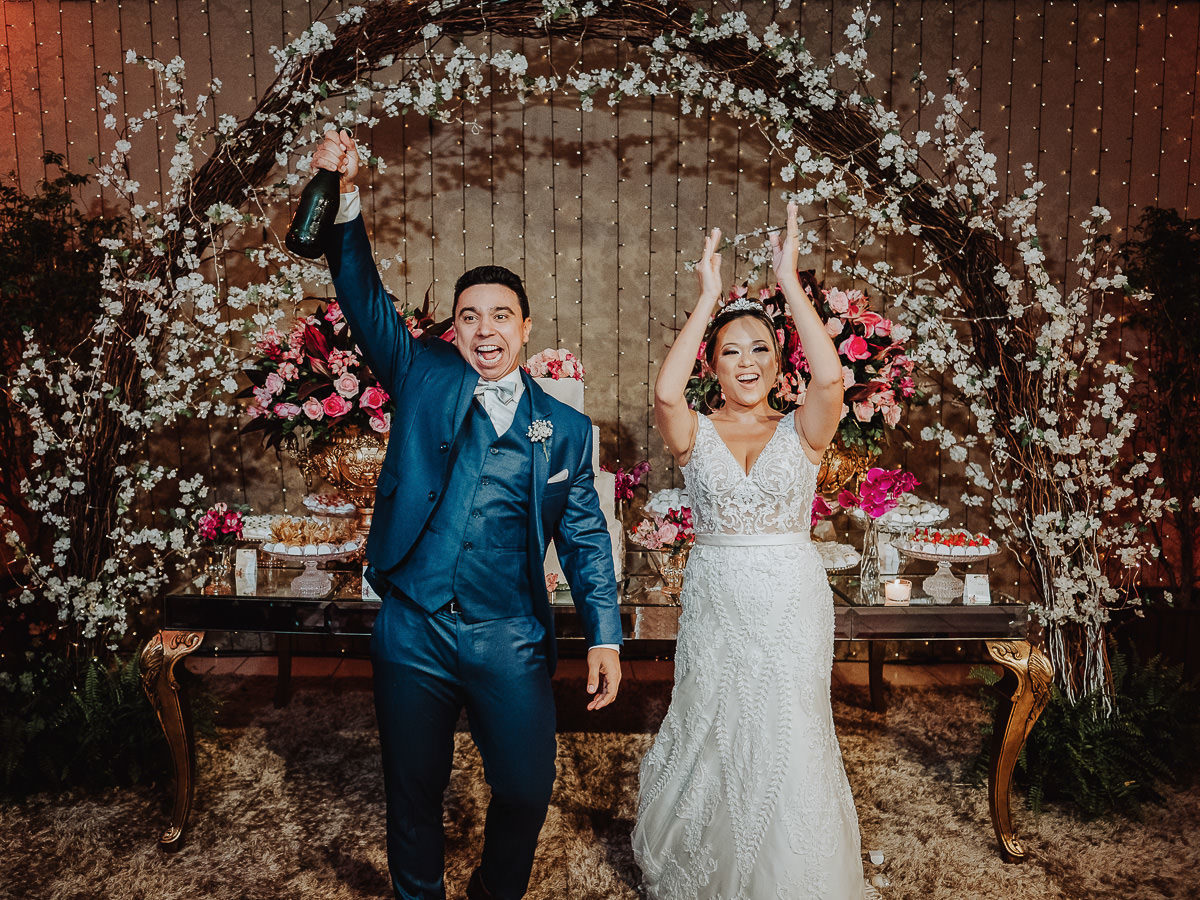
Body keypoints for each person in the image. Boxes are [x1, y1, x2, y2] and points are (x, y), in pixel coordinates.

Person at [310, 129, 624, 900]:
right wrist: (345, 199)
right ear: (454, 328)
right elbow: (361, 294)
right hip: (414, 624)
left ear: (526, 328)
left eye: (501, 315)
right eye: (470, 316)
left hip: (508, 633)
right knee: (412, 789)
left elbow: (584, 535)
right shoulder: (421, 372)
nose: (486, 330)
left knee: (525, 788)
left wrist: (604, 634)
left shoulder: (565, 429)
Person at [633, 204, 873, 898]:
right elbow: (664, 391)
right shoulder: (693, 431)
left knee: (790, 725)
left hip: (790, 599)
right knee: (713, 720)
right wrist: (707, 297)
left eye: (760, 350)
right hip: (716, 598)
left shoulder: (804, 428)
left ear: (778, 362)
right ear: (712, 364)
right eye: (731, 351)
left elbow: (832, 381)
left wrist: (788, 282)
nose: (747, 362)